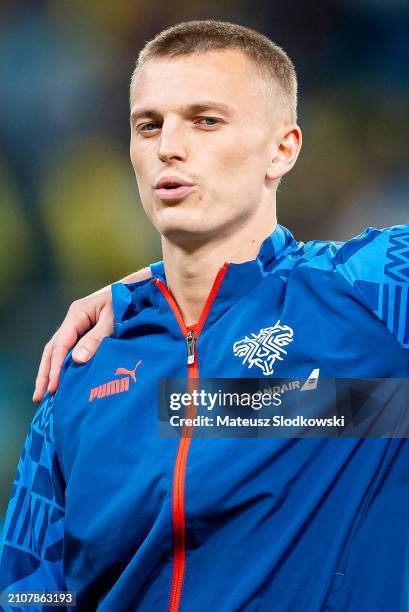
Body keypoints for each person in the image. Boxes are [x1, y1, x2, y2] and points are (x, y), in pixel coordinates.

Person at [1, 19, 408, 612]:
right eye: (149, 125)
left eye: (205, 120)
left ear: (282, 149)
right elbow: (32, 590)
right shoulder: (83, 371)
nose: (169, 145)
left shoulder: (370, 304)